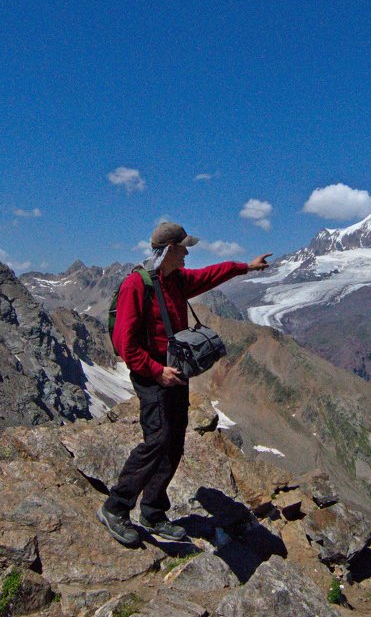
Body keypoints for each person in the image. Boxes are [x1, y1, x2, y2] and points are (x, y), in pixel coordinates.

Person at [97, 221, 271, 545]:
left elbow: (210, 275)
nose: (188, 252)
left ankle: (152, 510)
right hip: (153, 377)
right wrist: (156, 370)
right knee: (157, 440)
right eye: (183, 247)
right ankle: (115, 507)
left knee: (174, 441)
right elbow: (125, 344)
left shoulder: (175, 280)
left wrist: (245, 267)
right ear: (170, 250)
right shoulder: (138, 285)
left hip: (175, 375)